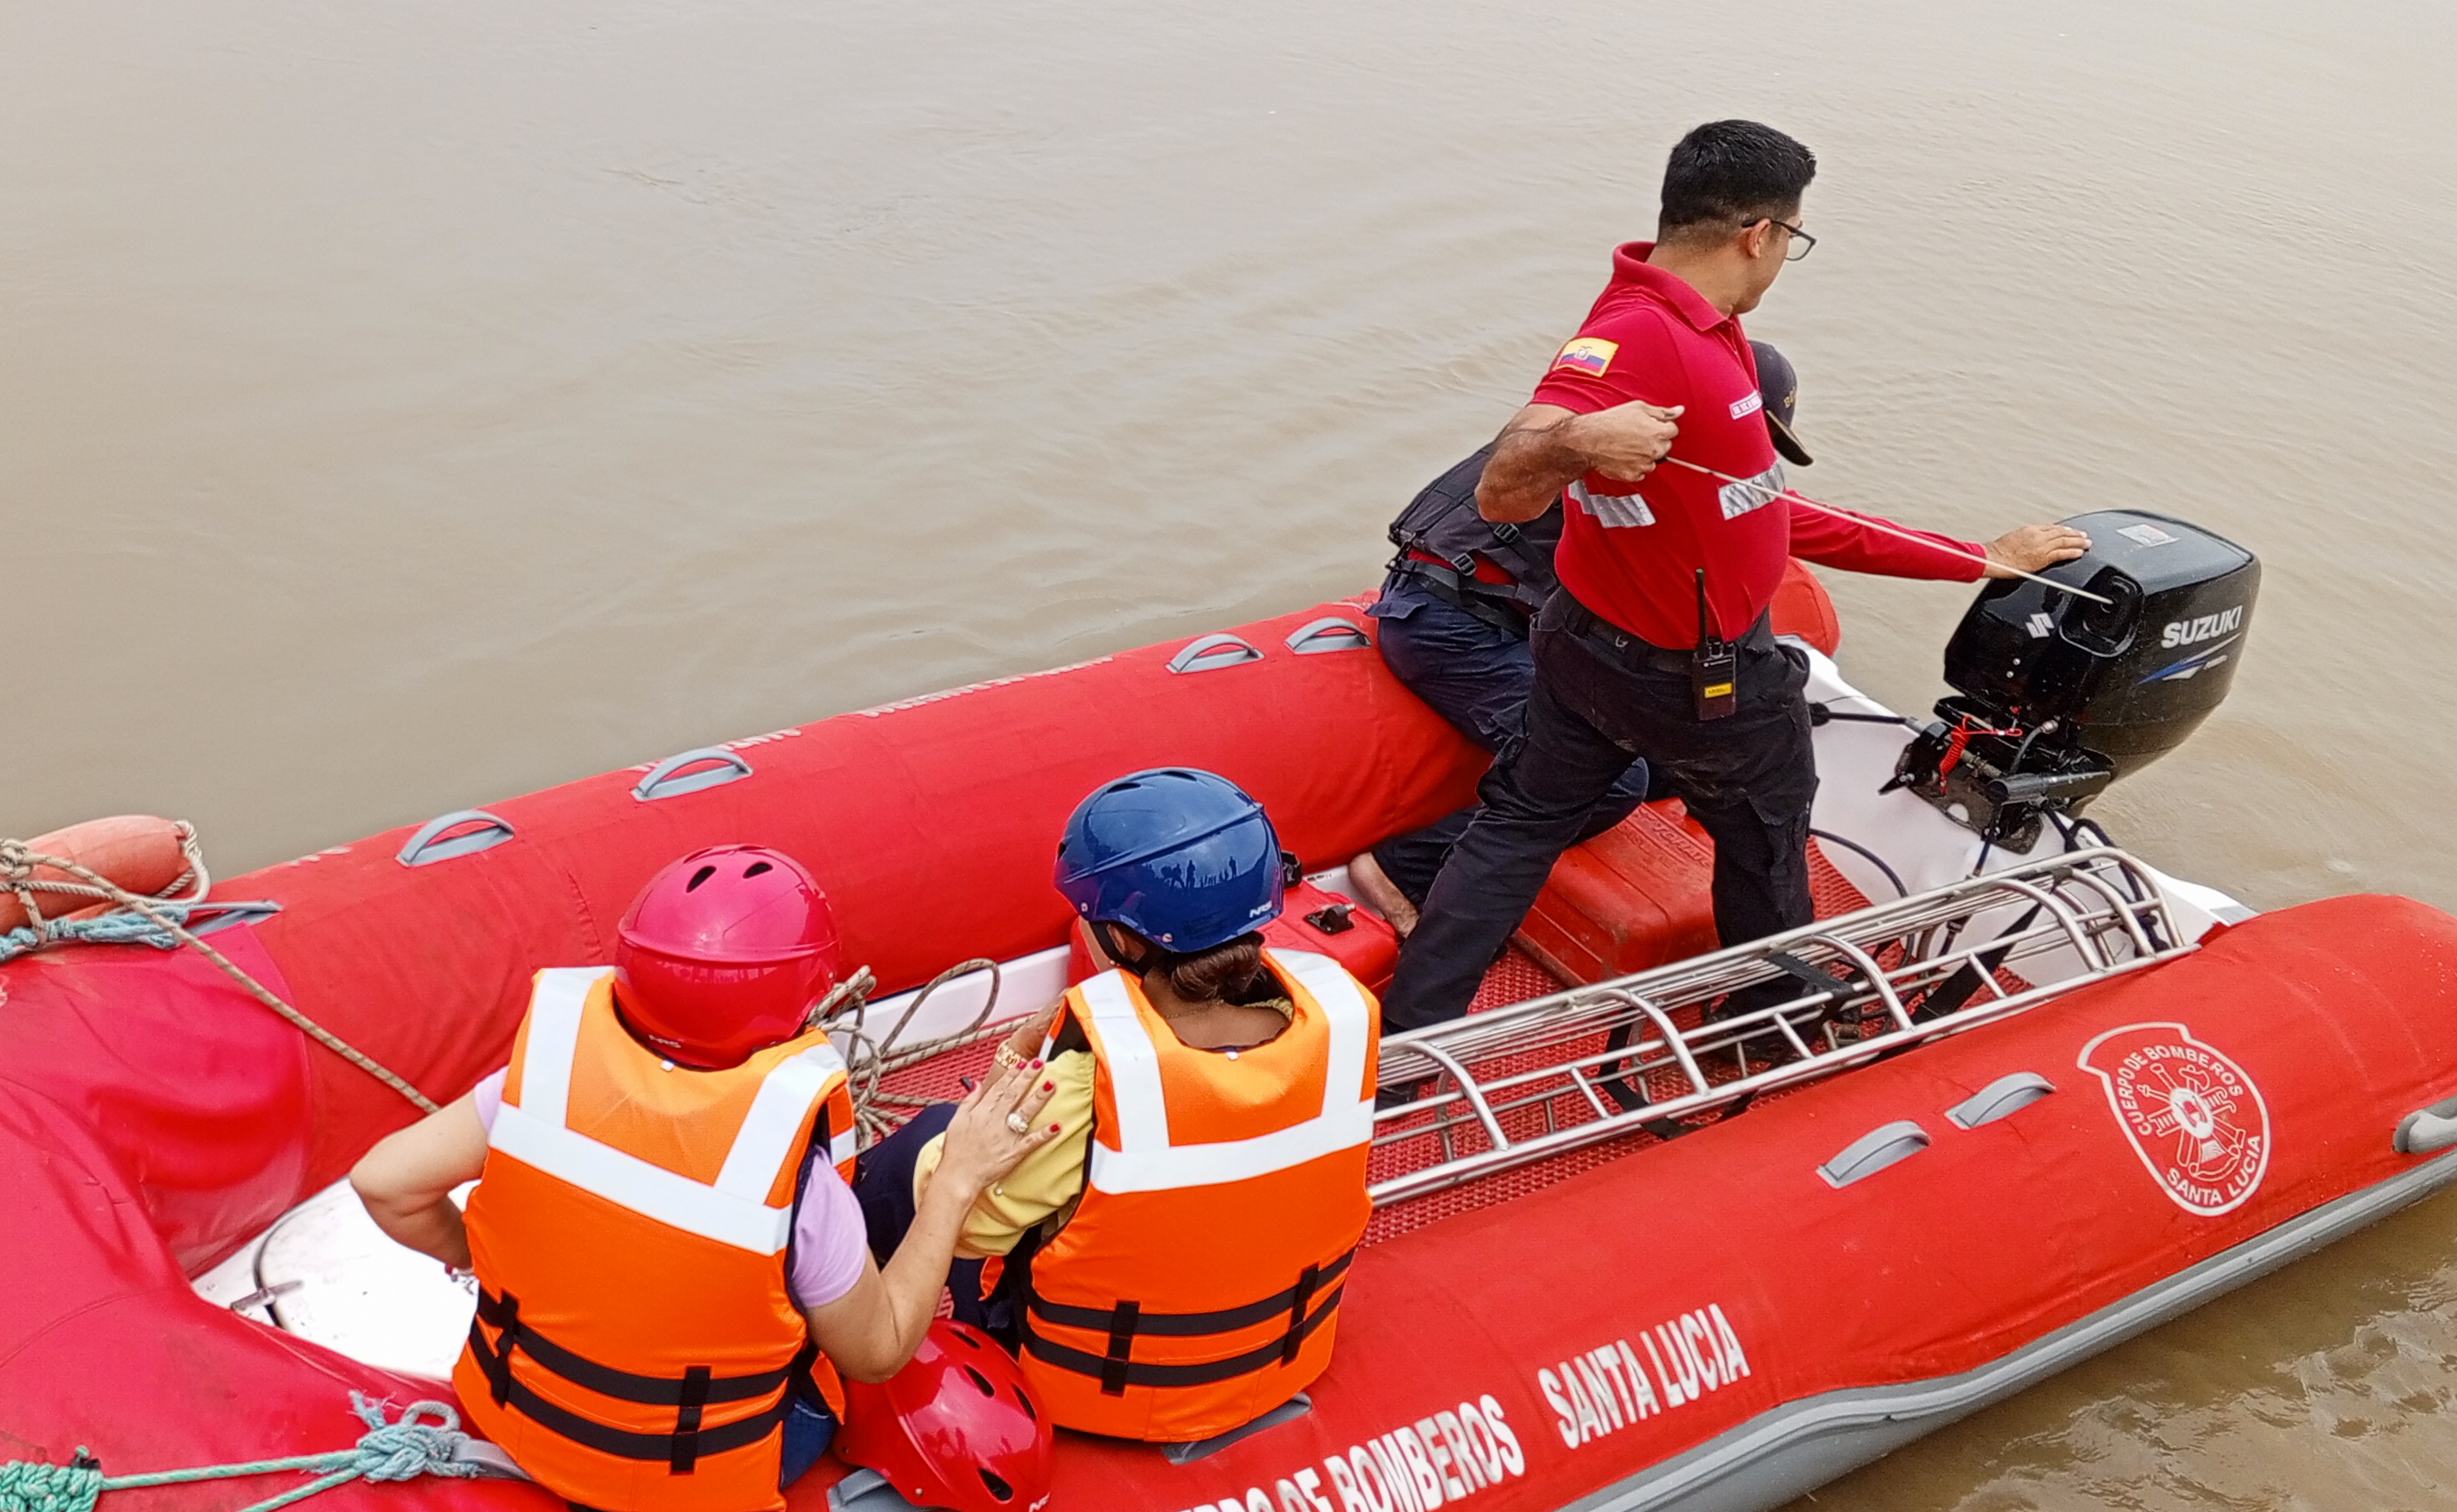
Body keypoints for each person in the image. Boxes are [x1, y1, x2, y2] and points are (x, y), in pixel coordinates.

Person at [1377, 122, 2092, 1034]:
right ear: (1760, 233)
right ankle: (1773, 1015)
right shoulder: (1638, 335)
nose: (1787, 256)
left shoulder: (1702, 325)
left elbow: (1773, 512)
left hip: (1584, 646)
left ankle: (1409, 1031)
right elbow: (1505, 483)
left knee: (1520, 824)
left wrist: (1973, 558)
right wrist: (1582, 440)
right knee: (1765, 841)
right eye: (1794, 237)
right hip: (1695, 678)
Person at [349, 845, 1046, 1512]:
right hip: (691, 1470)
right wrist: (956, 1179)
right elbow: (877, 1352)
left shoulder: (540, 1083)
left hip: (516, 1414)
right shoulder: (799, 1181)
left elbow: (385, 1183)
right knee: (888, 1209)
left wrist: (489, 1258)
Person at [853, 768, 1381, 1445]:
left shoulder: (1090, 1087)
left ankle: (844, 1300)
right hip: (1279, 1350)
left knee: (932, 1144)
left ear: (1125, 941)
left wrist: (1010, 1064)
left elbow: (959, 1224)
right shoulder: (1345, 1020)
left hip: (1109, 1387)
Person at [1346, 339, 1821, 933]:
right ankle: (1401, 869)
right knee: (1616, 781)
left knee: (1655, 744)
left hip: (1465, 602)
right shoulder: (1639, 463)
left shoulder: (1601, 425)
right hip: (1455, 625)